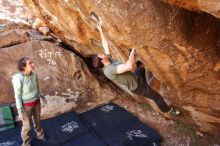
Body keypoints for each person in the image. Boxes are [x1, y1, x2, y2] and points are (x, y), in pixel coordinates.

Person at [92, 22, 180, 115]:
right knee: (157, 97)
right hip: (138, 87)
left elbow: (105, 45)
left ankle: (147, 85)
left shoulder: (108, 59)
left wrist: (100, 30)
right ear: (102, 61)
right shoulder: (109, 70)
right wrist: (132, 53)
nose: (102, 53)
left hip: (136, 78)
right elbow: (129, 66)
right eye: (101, 55)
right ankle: (169, 111)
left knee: (142, 69)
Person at [12, 57, 47, 146]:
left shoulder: (34, 75)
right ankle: (26, 143)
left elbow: (38, 87)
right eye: (30, 63)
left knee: (38, 121)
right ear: (23, 67)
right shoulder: (18, 78)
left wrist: (42, 97)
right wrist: (19, 110)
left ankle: (40, 135)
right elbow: (17, 95)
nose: (33, 64)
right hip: (26, 106)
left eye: (32, 62)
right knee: (27, 126)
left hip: (36, 102)